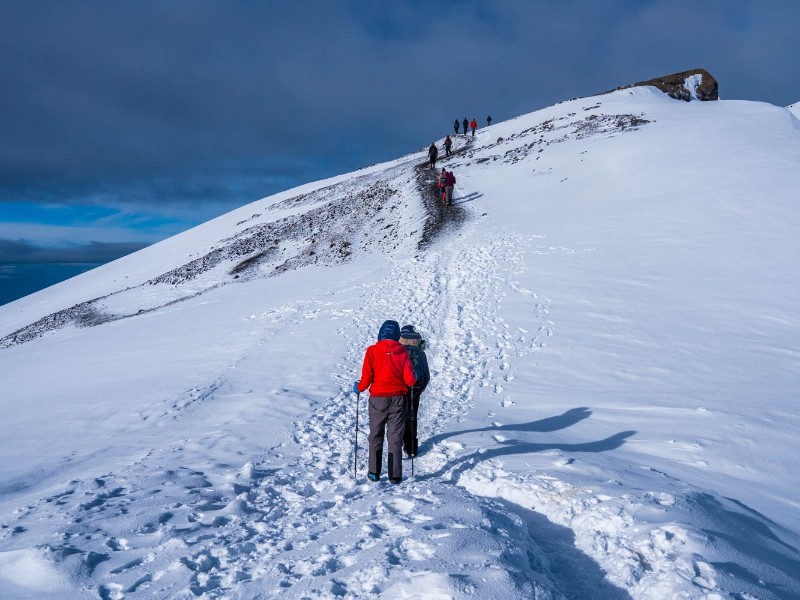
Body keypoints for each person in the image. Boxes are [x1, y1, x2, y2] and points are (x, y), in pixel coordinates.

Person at [354, 320, 416, 483]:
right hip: (398, 400)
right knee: (395, 437)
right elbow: (410, 380)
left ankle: (374, 472)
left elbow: (366, 379)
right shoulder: (402, 351)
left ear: (380, 333)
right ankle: (394, 476)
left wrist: (358, 387)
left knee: (375, 435)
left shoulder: (372, 351)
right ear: (396, 335)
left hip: (377, 400)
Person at [398, 325, 430, 457]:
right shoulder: (420, 352)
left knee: (397, 417)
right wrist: (419, 391)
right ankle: (411, 448)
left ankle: (395, 446)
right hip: (415, 387)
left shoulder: (398, 349)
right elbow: (426, 376)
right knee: (412, 417)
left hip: (399, 388)